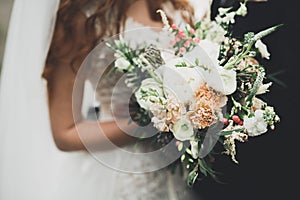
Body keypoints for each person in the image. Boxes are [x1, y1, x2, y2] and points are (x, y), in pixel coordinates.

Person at [0, 0, 212, 199]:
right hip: (122, 172)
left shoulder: (173, 4)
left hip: (179, 168)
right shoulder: (82, 18)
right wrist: (147, 123)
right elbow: (64, 133)